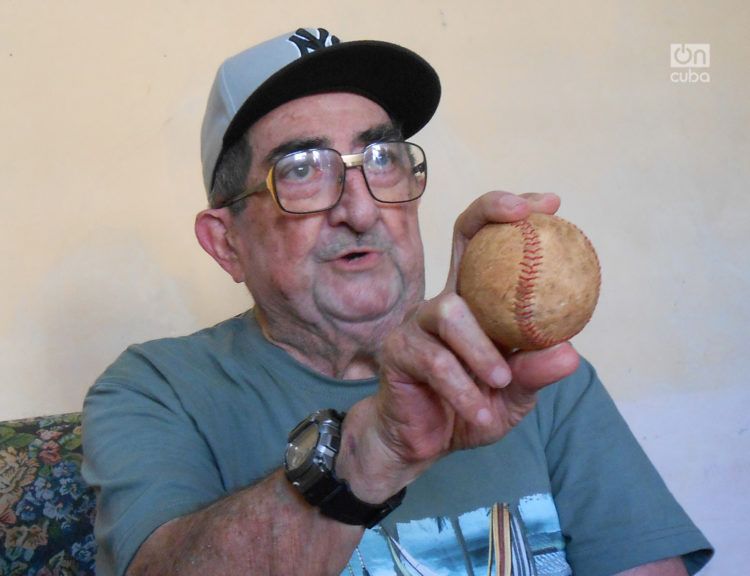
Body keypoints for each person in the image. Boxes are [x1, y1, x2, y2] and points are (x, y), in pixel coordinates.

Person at [82, 27, 713, 576]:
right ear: (227, 244)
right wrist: (371, 451)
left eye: (380, 159)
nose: (358, 209)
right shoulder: (155, 388)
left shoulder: (524, 374)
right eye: (301, 168)